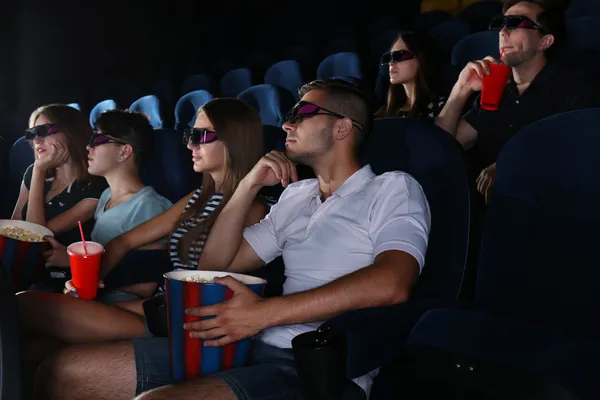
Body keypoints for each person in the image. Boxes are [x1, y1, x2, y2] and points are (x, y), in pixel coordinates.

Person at [33, 79, 431, 400]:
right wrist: (247, 188)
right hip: (243, 337)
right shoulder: (296, 196)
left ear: (343, 127)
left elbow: (391, 282)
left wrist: (264, 313)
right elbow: (220, 264)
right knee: (61, 372)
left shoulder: (392, 188)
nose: (287, 123)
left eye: (302, 113)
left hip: (315, 359)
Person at [16, 98, 268, 395]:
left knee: (25, 305)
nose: (190, 146)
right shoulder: (194, 199)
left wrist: (106, 302)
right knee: (31, 349)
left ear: (234, 141)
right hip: (157, 309)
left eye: (202, 136)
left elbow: (207, 274)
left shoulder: (253, 208)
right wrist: (90, 283)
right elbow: (124, 241)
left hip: (187, 322)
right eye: (190, 136)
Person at [435, 0, 600, 201]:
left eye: (515, 23)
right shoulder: (496, 89)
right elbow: (441, 147)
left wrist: (510, 164)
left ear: (544, 42)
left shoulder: (575, 89)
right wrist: (461, 89)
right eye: (501, 24)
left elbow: (577, 158)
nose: (502, 33)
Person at [41, 109, 173, 303]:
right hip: (93, 300)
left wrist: (76, 265)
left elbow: (147, 286)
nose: (88, 147)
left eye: (98, 140)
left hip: (120, 308)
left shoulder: (149, 206)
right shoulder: (106, 196)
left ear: (124, 152)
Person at [11, 104, 107, 245]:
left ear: (71, 132)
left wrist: (39, 171)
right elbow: (14, 227)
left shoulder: (95, 187)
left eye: (44, 130)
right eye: (32, 133)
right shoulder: (34, 171)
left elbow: (37, 236)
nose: (36, 140)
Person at [375, 31, 446, 121]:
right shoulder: (385, 112)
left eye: (398, 56)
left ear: (421, 59)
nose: (390, 63)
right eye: (388, 57)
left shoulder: (441, 107)